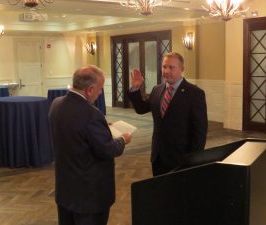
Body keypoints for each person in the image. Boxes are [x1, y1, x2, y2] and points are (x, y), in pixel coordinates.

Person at [49, 65, 132, 225]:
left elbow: (75, 130)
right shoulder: (91, 115)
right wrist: (123, 139)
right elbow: (107, 150)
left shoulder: (56, 104)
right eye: (100, 89)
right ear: (89, 89)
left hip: (66, 190)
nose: (100, 93)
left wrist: (101, 126)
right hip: (90, 196)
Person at [128, 52, 208, 176]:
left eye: (171, 67)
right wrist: (135, 89)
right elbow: (141, 108)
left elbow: (200, 131)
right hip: (158, 157)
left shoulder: (195, 93)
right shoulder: (157, 90)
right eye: (164, 67)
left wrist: (193, 160)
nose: (166, 71)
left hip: (181, 158)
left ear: (182, 69)